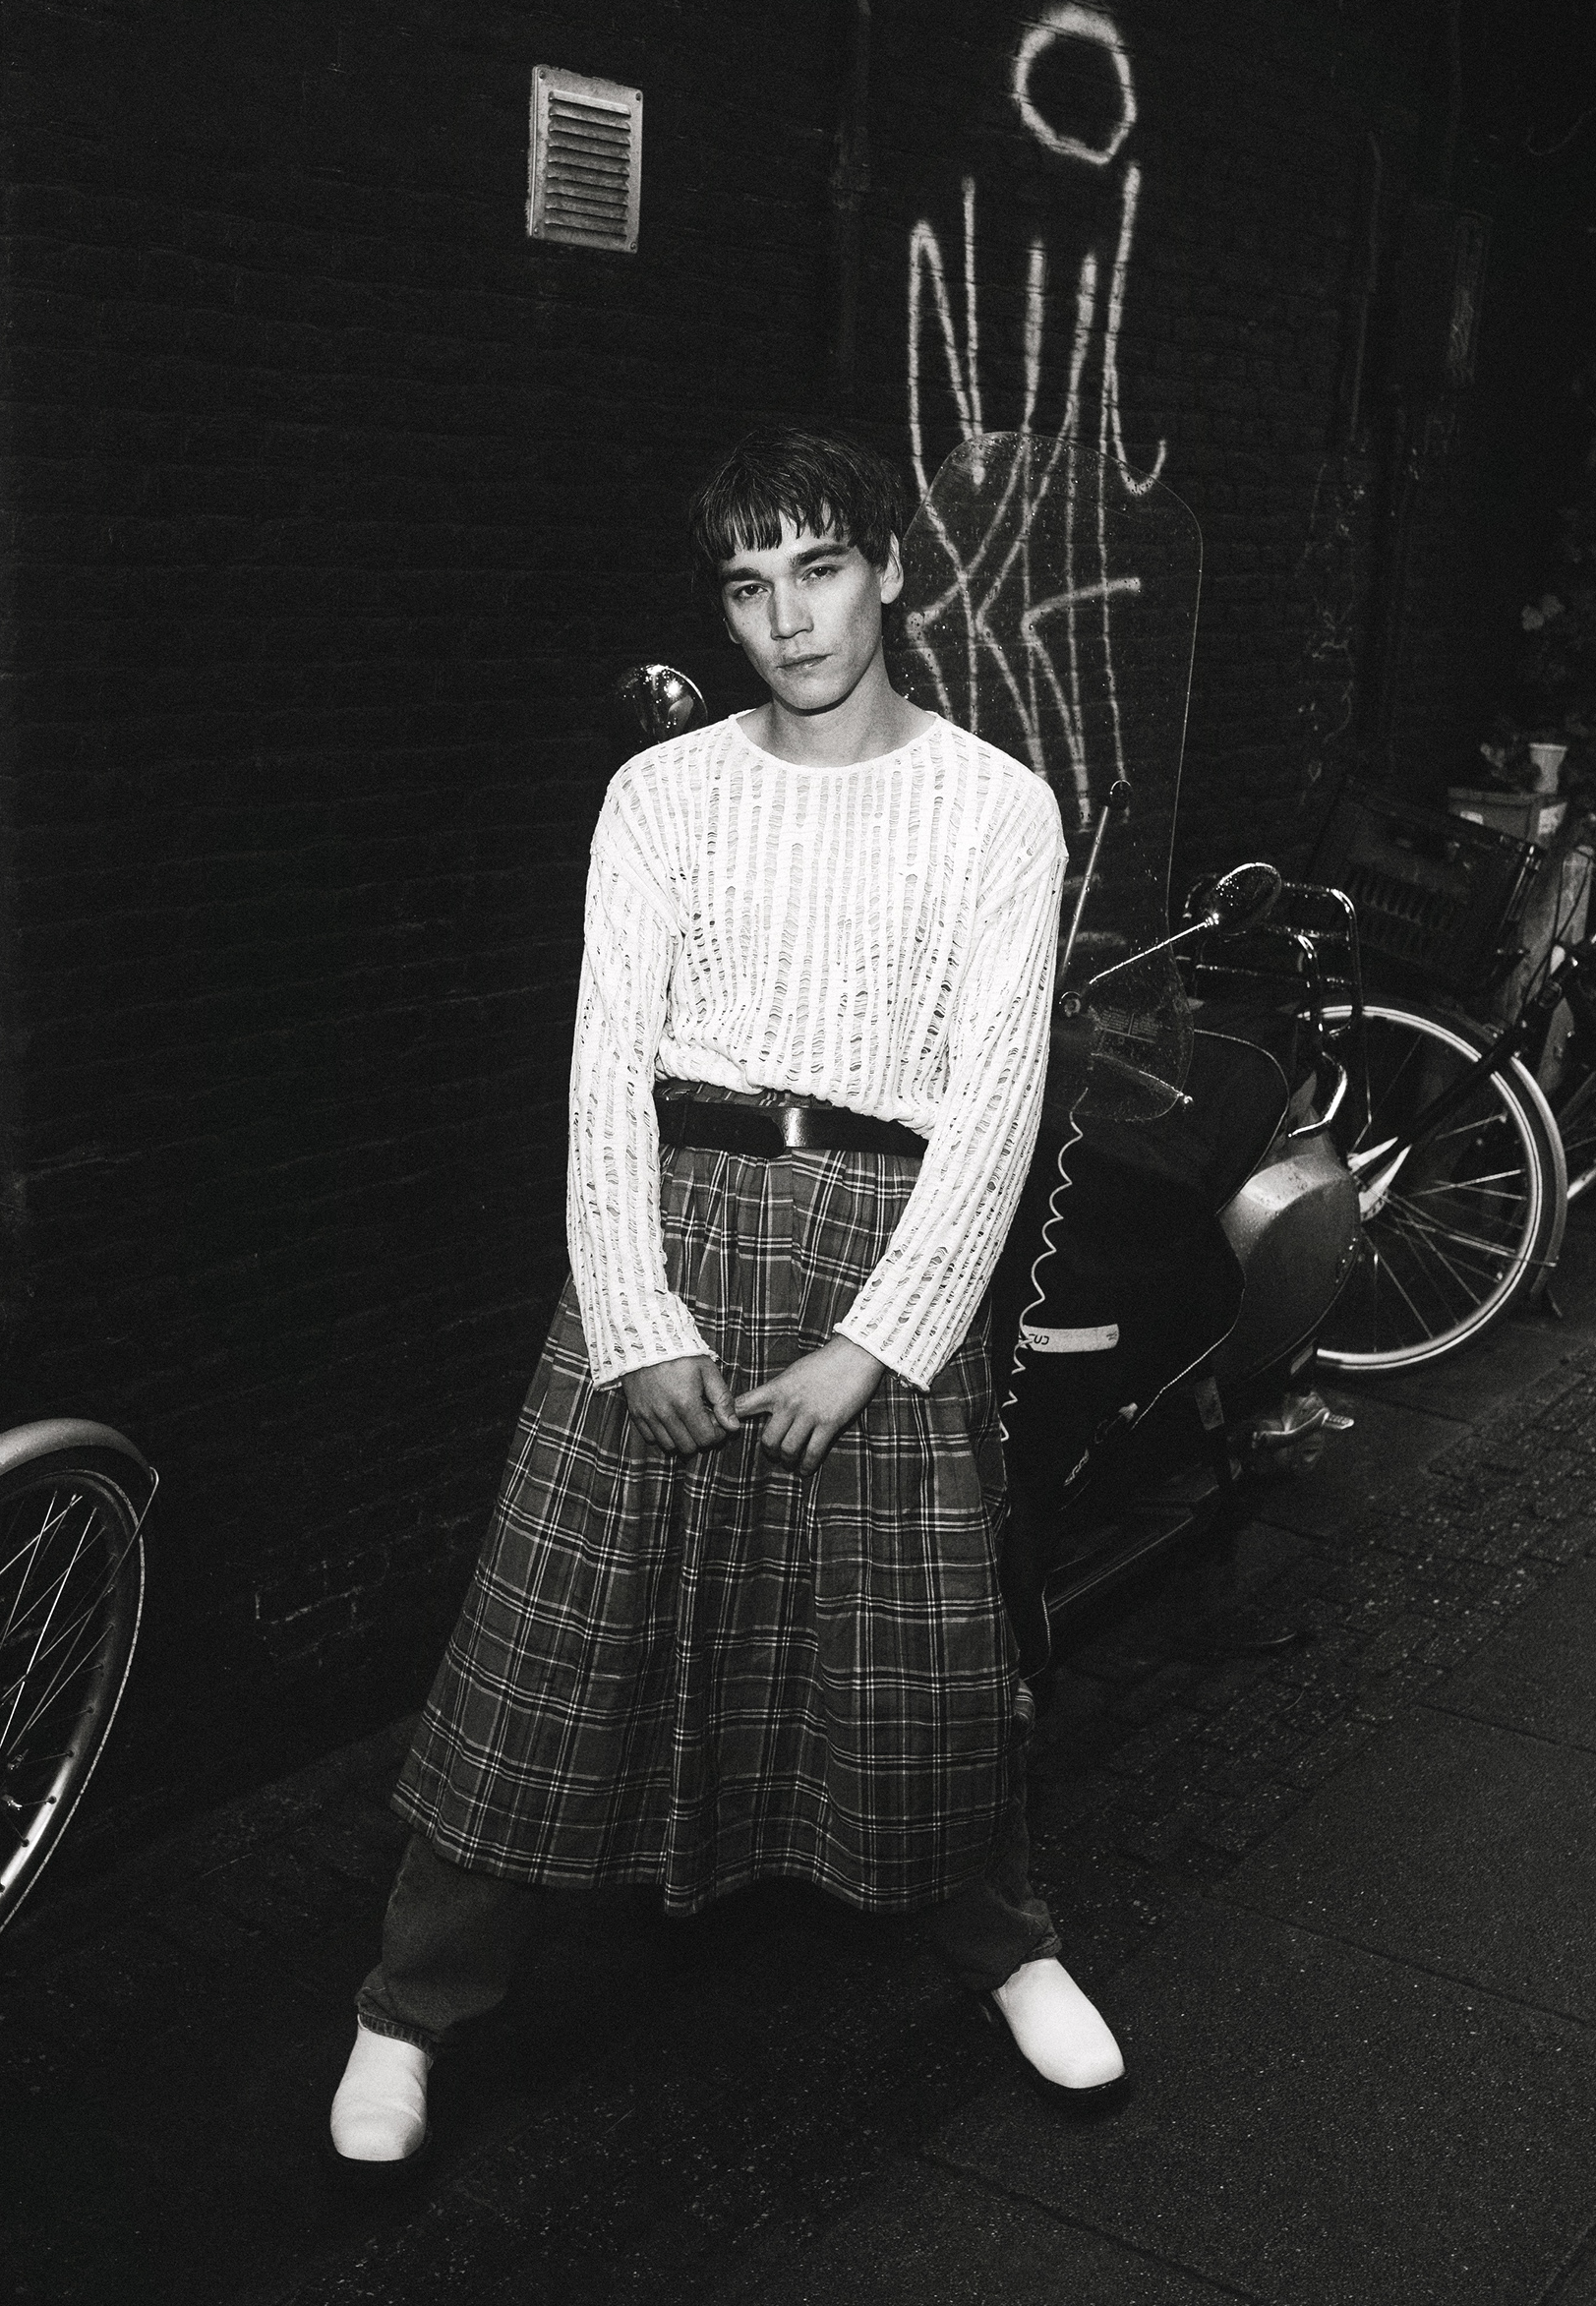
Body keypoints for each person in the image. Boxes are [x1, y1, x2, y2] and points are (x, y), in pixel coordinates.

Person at [328, 425, 1125, 2169]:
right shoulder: (662, 796)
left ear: (890, 571)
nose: (789, 618)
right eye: (750, 584)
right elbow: (603, 1069)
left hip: (885, 1242)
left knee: (919, 1641)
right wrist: (633, 1317)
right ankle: (409, 2006)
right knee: (553, 1638)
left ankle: (1008, 1948)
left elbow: (996, 1103)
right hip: (676, 1227)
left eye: (820, 568)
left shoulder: (999, 807)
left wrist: (877, 1344)